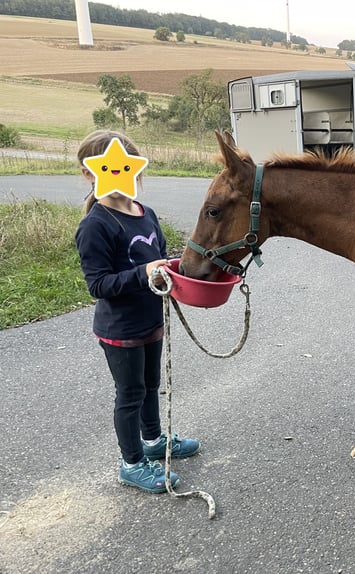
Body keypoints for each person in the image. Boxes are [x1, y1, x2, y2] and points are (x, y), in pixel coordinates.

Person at [75, 129, 200, 493]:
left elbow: (157, 259)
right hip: (121, 329)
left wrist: (178, 271)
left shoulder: (146, 214)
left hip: (150, 321)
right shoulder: (96, 225)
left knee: (150, 386)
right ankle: (131, 463)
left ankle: (153, 440)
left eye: (125, 167)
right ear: (89, 173)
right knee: (129, 394)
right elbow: (98, 285)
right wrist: (143, 272)